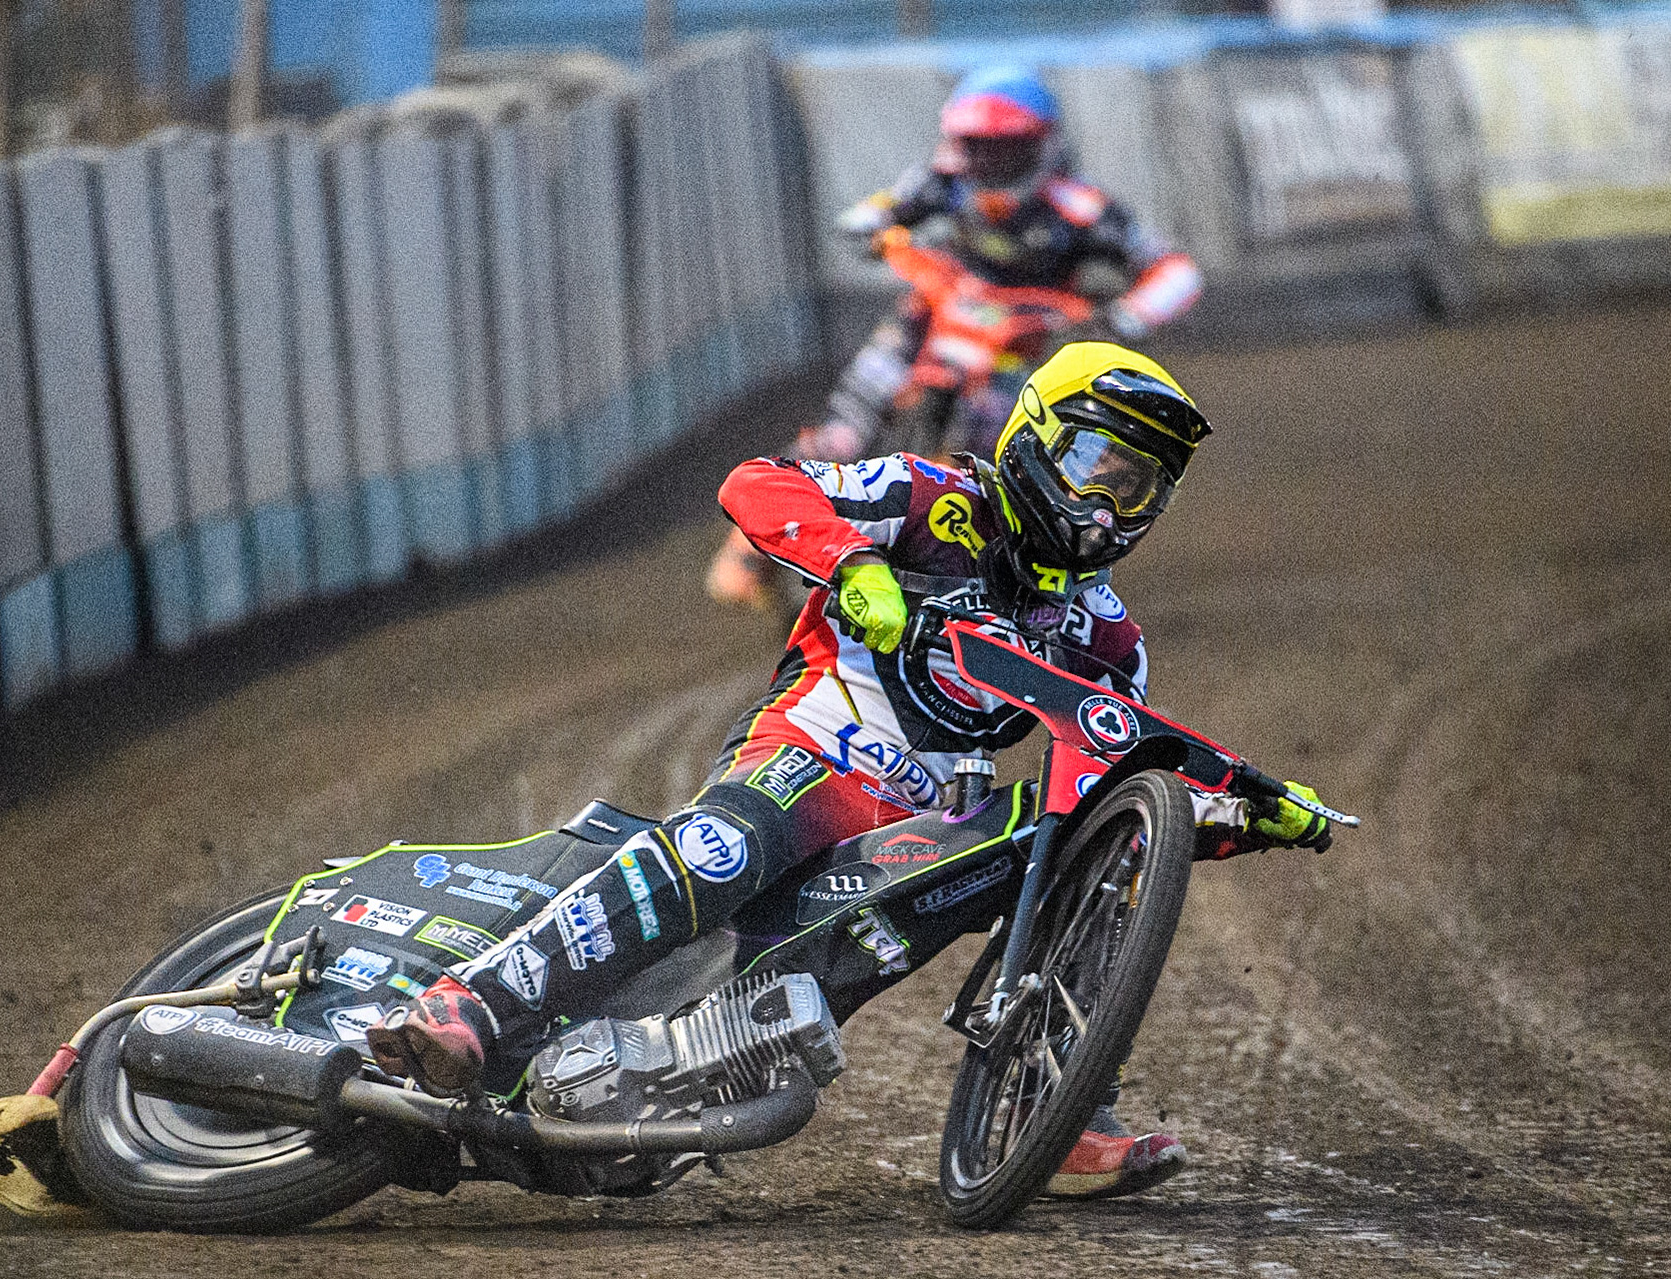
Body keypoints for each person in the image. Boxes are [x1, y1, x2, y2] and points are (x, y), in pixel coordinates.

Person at [372, 343, 1331, 1201]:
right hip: (813, 747)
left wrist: (1236, 816)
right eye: (1097, 467)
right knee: (720, 849)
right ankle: (471, 1001)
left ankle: (1067, 1104)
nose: (1110, 507)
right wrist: (852, 563)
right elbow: (758, 484)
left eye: (1140, 489)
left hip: (920, 821)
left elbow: (1117, 790)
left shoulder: (1110, 640)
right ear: (1035, 438)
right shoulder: (933, 496)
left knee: (1077, 854)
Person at [706, 64, 1204, 609]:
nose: (987, 161)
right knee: (847, 425)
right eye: (976, 145)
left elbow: (1177, 271)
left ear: (1039, 144)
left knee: (988, 460)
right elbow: (863, 218)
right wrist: (888, 238)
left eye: (1004, 147)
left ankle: (959, 568)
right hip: (934, 319)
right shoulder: (941, 182)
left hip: (1020, 344)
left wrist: (1119, 317)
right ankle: (751, 544)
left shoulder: (1078, 207)